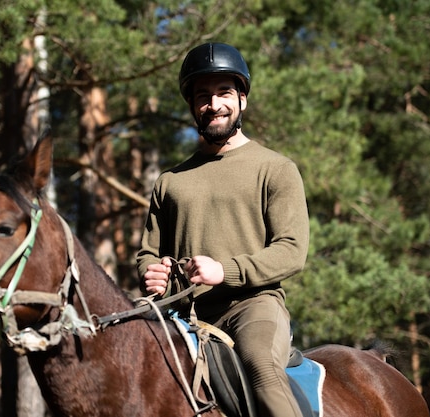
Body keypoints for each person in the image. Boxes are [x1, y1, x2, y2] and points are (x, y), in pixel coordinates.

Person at [136, 42, 309, 417]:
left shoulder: (275, 168)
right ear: (192, 106)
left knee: (261, 367)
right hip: (179, 315)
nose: (213, 104)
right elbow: (148, 253)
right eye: (203, 96)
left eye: (224, 93)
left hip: (251, 306)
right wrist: (150, 274)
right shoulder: (169, 181)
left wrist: (224, 271)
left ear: (242, 100)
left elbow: (292, 249)